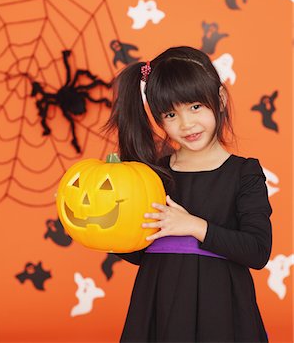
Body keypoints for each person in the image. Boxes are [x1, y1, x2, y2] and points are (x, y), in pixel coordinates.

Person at [105, 46, 272, 343]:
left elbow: (257, 251)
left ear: (219, 99)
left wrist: (194, 226)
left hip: (221, 307)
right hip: (160, 304)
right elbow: (141, 252)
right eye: (171, 114)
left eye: (195, 106)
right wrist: (102, 224)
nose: (186, 124)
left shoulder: (244, 173)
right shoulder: (152, 175)